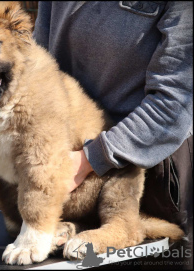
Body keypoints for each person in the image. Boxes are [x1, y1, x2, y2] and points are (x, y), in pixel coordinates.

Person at [33, 1, 193, 268]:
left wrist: (89, 159)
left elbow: (174, 105)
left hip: (150, 166)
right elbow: (41, 66)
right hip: (70, 163)